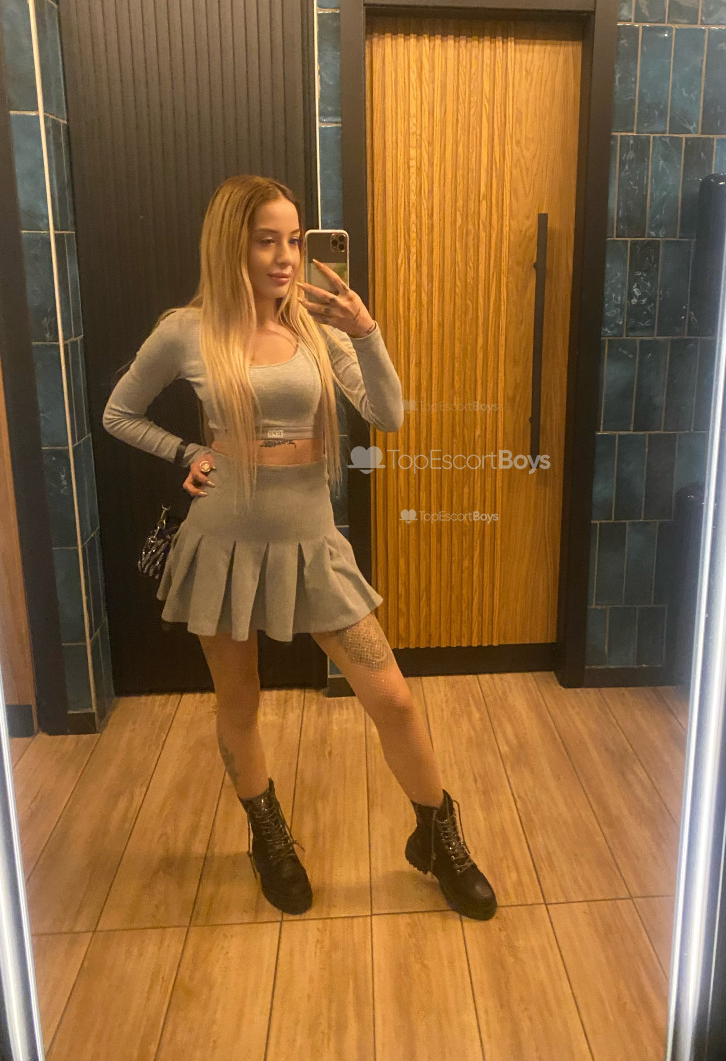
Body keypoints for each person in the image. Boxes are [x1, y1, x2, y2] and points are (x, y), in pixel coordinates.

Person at [102, 174, 496, 921]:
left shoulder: (318, 328)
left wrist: (365, 331)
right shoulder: (186, 330)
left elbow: (388, 414)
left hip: (313, 543)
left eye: (293, 240)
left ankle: (438, 835)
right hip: (222, 542)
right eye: (267, 241)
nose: (286, 257)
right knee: (240, 703)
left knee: (392, 698)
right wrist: (188, 450)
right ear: (231, 246)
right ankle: (269, 837)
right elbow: (119, 413)